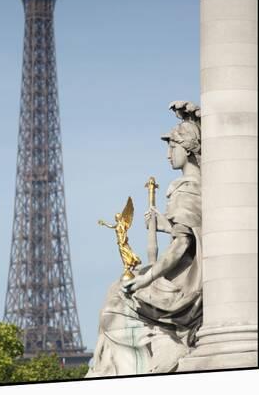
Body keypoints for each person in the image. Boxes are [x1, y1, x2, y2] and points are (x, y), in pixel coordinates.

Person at [86, 101, 202, 376]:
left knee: (118, 297)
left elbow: (183, 245)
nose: (167, 155)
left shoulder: (186, 189)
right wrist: (165, 226)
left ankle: (162, 347)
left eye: (172, 146)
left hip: (186, 285)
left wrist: (147, 278)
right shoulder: (194, 187)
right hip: (190, 277)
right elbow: (188, 235)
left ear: (187, 149)